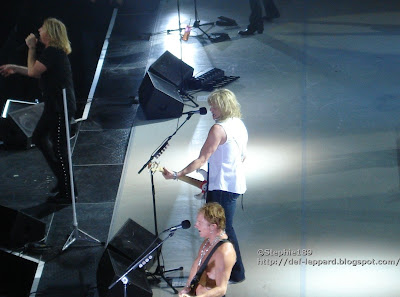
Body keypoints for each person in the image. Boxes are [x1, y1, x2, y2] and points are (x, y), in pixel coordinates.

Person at [163, 88, 247, 283]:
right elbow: (242, 156)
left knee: (222, 230)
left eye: (214, 106)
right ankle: (228, 269)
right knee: (224, 229)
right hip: (233, 185)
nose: (211, 109)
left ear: (224, 106)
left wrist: (177, 174)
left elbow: (202, 158)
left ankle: (235, 271)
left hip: (222, 188)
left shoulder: (218, 129)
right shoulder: (239, 124)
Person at [0, 17, 77, 203]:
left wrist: (31, 47)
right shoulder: (51, 52)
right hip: (53, 105)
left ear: (50, 33)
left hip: (60, 106)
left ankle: (68, 191)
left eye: (42, 28)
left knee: (59, 149)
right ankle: (63, 180)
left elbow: (34, 72)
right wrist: (14, 68)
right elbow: (34, 70)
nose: (39, 31)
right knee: (39, 138)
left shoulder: (53, 51)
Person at [179, 202, 236, 297]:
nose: (195, 225)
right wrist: (187, 287)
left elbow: (222, 289)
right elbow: (197, 264)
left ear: (213, 227)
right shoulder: (208, 242)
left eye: (200, 222)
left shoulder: (225, 252)